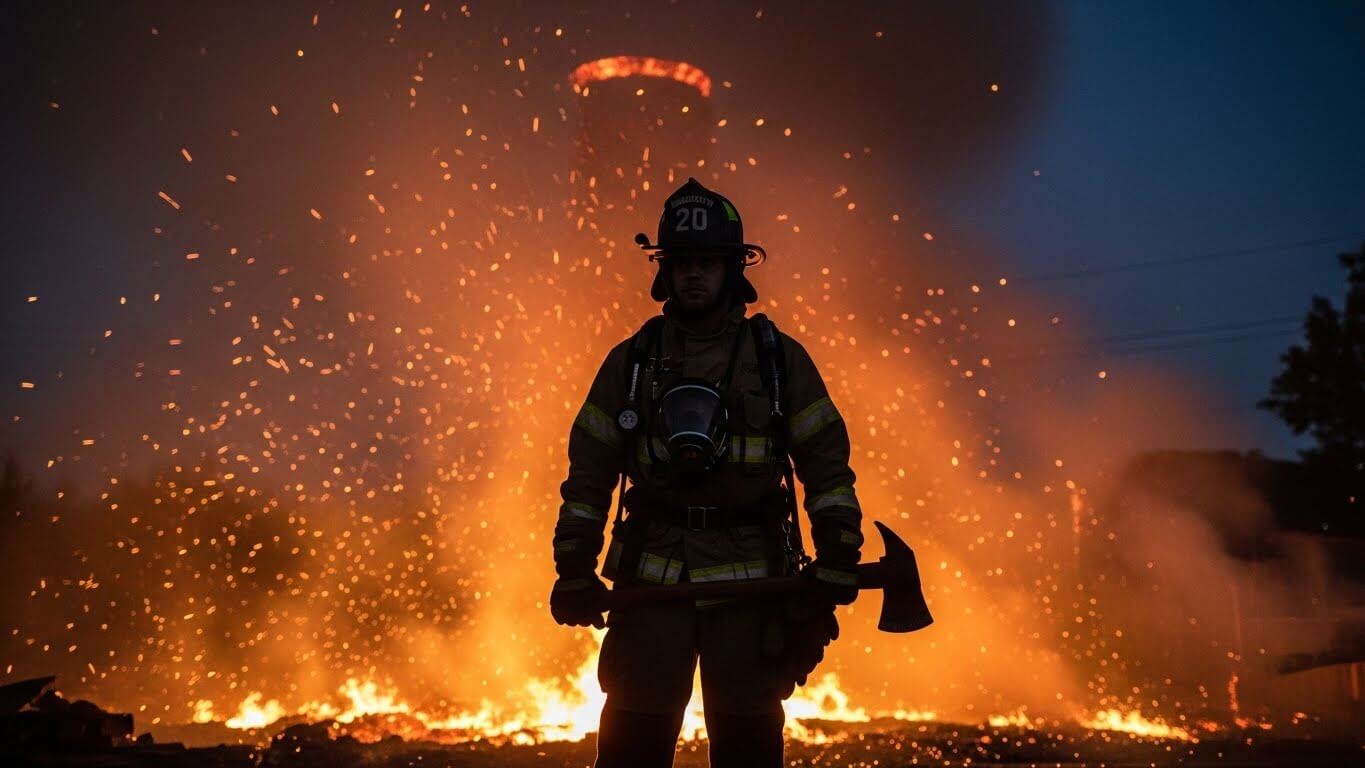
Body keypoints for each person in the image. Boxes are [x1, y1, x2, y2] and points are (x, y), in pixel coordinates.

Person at [549, 177, 864, 767]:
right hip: (653, 584)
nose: (694, 275)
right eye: (682, 263)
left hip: (751, 589)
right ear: (664, 271)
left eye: (708, 263)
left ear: (732, 270)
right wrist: (573, 568)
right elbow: (589, 475)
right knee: (632, 746)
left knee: (747, 747)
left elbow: (826, 467)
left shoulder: (775, 360)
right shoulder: (633, 361)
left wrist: (839, 556)